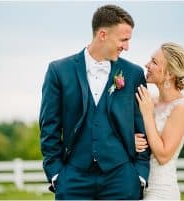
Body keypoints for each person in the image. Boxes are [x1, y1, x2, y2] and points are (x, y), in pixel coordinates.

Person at [39, 4, 150, 200]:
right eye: (123, 39)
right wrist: (56, 174)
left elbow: (142, 127)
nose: (127, 47)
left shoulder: (133, 74)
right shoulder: (59, 71)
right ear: (102, 35)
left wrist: (139, 176)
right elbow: (49, 127)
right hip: (73, 179)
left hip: (122, 180)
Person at [135, 42, 184, 200]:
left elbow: (162, 155)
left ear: (169, 73)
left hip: (161, 191)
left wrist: (147, 115)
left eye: (154, 62)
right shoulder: (150, 101)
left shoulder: (181, 109)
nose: (147, 65)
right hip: (137, 186)